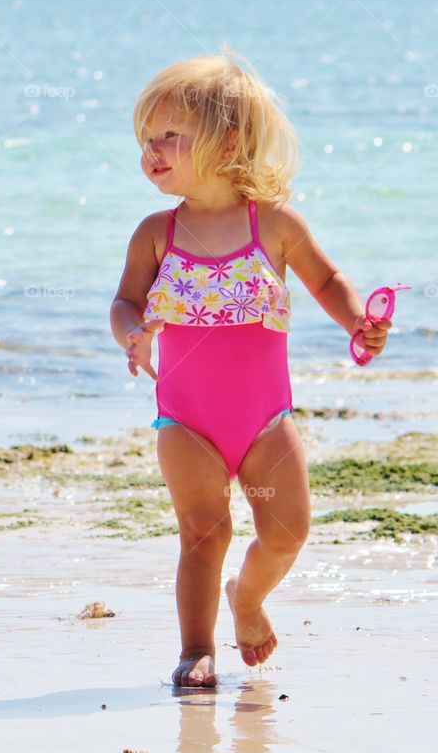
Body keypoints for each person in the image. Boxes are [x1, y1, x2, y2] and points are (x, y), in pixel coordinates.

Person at [109, 49, 392, 688]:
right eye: (146, 141)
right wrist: (132, 336)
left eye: (169, 137)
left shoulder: (275, 226)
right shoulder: (156, 233)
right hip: (185, 421)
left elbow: (328, 280)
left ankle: (249, 598)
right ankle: (195, 650)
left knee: (288, 530)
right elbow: (125, 302)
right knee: (202, 534)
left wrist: (357, 323)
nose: (151, 152)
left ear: (228, 139)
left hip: (266, 420)